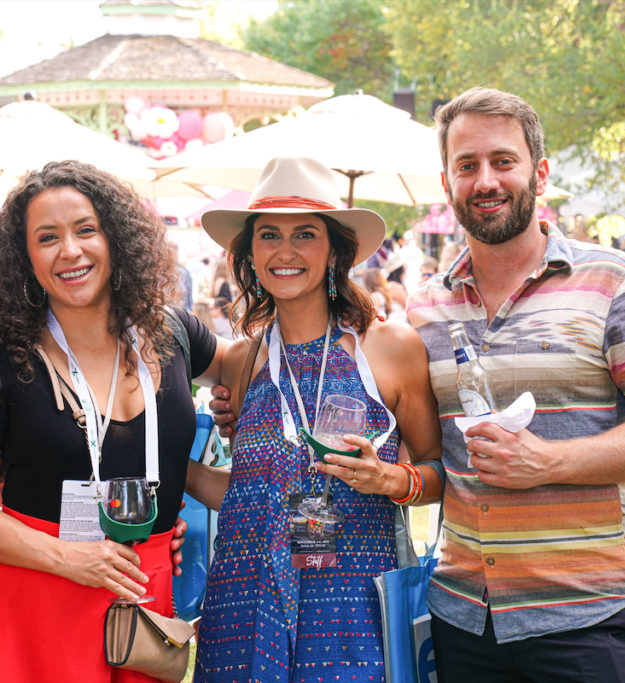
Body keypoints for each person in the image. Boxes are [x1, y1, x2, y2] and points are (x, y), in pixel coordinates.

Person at [407, 86, 625, 682]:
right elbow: (418, 446)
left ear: (538, 173)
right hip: (466, 623)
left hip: (590, 619)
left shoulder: (616, 283)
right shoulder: (425, 309)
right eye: (467, 165)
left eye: (503, 161)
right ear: (447, 183)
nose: (485, 180)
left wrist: (549, 461)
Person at [0, 160, 229, 681]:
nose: (70, 251)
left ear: (116, 238)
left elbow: (267, 366)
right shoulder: (9, 354)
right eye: (47, 238)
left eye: (86, 230)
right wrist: (69, 560)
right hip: (26, 603)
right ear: (25, 258)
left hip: (141, 597)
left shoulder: (173, 332)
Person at [189, 156, 444, 682]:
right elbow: (247, 492)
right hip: (243, 604)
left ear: (333, 250)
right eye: (268, 236)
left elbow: (440, 473)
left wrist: (392, 478)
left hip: (352, 609)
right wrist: (178, 468)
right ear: (249, 253)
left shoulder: (387, 348)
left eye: (304, 234)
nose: (285, 251)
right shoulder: (243, 361)